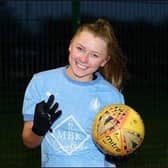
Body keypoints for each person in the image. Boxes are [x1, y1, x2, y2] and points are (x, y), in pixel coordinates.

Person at [22, 18, 128, 167]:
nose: (84, 59)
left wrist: (121, 151)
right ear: (70, 45)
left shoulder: (112, 97)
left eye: (94, 55)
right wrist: (38, 129)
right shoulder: (41, 82)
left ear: (104, 61)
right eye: (80, 48)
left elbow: (115, 145)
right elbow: (29, 142)